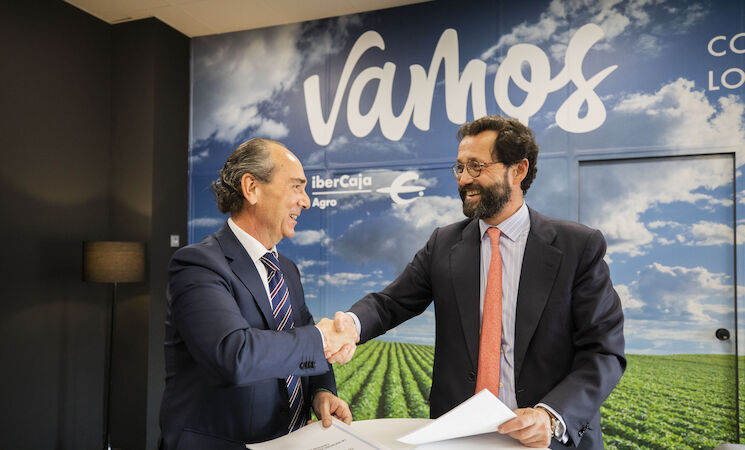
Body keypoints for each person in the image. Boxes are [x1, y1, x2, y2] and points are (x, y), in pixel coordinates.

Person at [329, 115, 626, 449]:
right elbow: (390, 303)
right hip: (461, 437)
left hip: (546, 439)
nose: (464, 179)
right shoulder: (443, 244)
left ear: (519, 170)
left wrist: (550, 416)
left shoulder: (577, 247)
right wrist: (350, 325)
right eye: (459, 167)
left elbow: (604, 351)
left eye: (476, 166)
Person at [160, 138, 356, 450]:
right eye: (296, 187)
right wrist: (322, 338)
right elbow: (233, 355)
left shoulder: (286, 269)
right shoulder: (197, 264)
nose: (306, 201)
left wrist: (321, 391)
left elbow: (301, 338)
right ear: (252, 188)